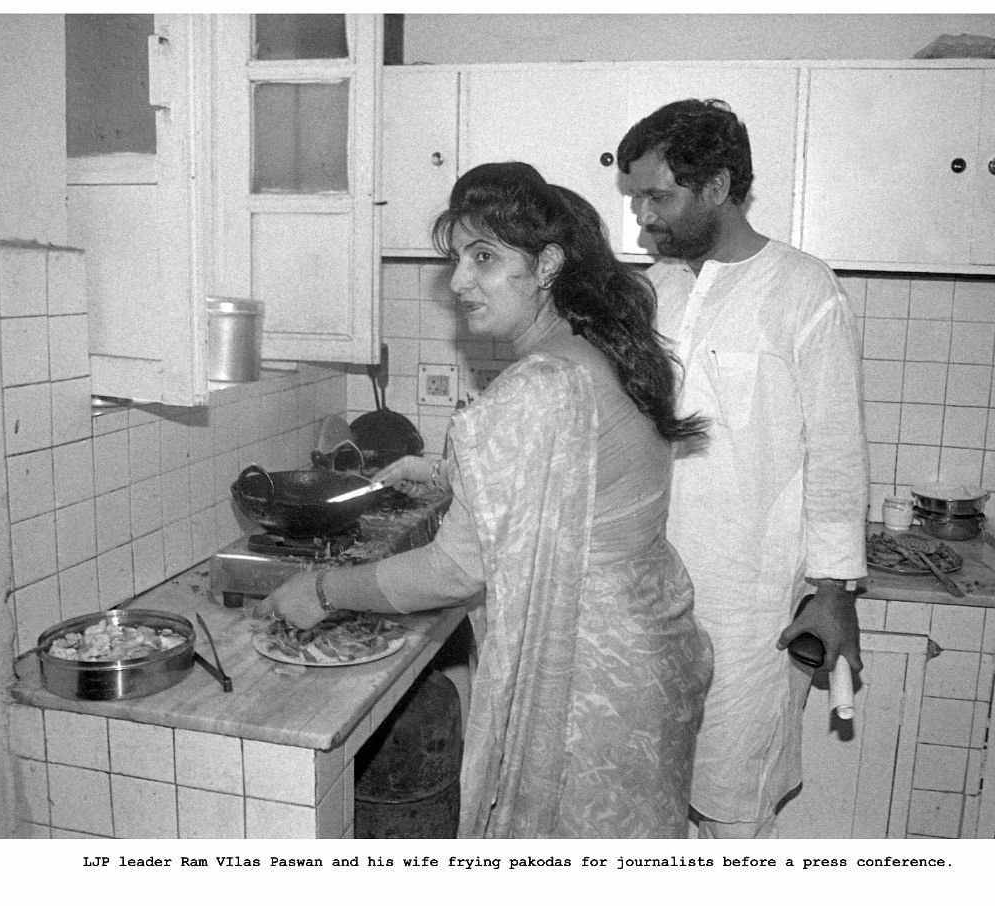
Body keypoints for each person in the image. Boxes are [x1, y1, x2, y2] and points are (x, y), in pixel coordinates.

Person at [257, 161, 712, 839]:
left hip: (591, 683)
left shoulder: (540, 383)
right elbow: (571, 488)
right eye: (457, 259)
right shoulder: (599, 352)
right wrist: (451, 477)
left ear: (548, 264)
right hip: (647, 653)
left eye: (485, 258)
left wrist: (323, 589)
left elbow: (455, 571)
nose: (460, 281)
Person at [616, 99, 870, 839]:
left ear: (719, 187)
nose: (642, 220)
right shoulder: (650, 292)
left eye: (658, 198)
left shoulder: (803, 290)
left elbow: (837, 453)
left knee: (731, 813)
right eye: (635, 200)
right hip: (648, 600)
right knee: (651, 803)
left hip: (749, 608)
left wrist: (834, 591)